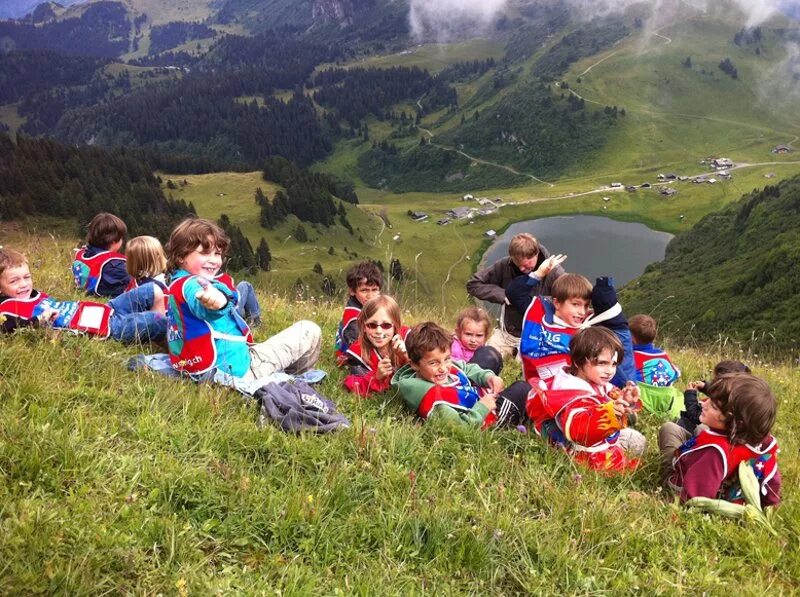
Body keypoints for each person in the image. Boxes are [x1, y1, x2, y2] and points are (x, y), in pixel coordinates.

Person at [164, 218, 320, 379]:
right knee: (309, 329)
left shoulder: (175, 285)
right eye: (204, 253)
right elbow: (203, 304)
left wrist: (221, 296)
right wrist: (217, 301)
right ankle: (296, 379)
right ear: (181, 256)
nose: (214, 260)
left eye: (217, 253)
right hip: (238, 370)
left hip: (202, 368)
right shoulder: (192, 285)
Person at [526, 327, 646, 472]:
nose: (609, 371)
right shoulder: (569, 390)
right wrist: (611, 414)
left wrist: (626, 399)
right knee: (633, 446)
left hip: (601, 438)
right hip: (580, 450)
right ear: (578, 361)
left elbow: (610, 393)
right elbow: (578, 429)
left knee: (638, 440)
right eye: (602, 363)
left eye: (613, 364)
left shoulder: (596, 381)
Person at [658, 373, 781, 506]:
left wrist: (661, 502)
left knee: (669, 429)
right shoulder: (762, 443)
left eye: (714, 407)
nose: (704, 404)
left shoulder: (715, 452)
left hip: (682, 480)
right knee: (697, 430)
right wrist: (769, 505)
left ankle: (666, 472)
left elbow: (693, 499)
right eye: (709, 399)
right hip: (711, 472)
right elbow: (772, 485)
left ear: (735, 422)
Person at [1, 247, 166, 343]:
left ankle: (159, 341)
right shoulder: (6, 308)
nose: (23, 284)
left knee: (152, 289)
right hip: (105, 328)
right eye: (14, 281)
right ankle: (179, 355)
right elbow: (9, 327)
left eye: (26, 277)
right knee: (158, 320)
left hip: (104, 309)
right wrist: (40, 320)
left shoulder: (32, 295)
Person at [392, 322, 531, 428]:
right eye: (433, 363)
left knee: (488, 353)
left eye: (446, 358)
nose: (443, 368)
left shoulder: (436, 370)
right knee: (522, 389)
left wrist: (488, 377)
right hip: (482, 416)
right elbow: (460, 428)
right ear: (414, 364)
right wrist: (483, 407)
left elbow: (463, 367)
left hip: (471, 392)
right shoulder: (433, 401)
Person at [466, 233, 565, 359]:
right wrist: (503, 296)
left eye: (527, 265)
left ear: (536, 254)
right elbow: (473, 284)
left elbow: (569, 298)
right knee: (486, 358)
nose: (522, 269)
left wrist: (540, 303)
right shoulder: (504, 265)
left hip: (541, 335)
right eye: (518, 264)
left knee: (528, 369)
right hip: (508, 334)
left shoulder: (554, 272)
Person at [342, 295, 409, 397]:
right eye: (372, 325)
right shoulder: (358, 353)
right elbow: (353, 385)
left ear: (395, 326)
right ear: (363, 326)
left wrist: (406, 358)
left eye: (386, 325)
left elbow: (430, 365)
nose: (379, 331)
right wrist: (376, 377)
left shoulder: (409, 338)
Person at [675, 359, 750, 432]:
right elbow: (719, 394)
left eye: (715, 381)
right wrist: (705, 387)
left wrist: (690, 395)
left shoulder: (728, 405)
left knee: (695, 426)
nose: (713, 383)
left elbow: (696, 417)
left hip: (703, 434)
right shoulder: (736, 395)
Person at [72, 212, 132, 297]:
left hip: (86, 292)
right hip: (111, 297)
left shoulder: (82, 254)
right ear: (114, 241)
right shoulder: (115, 264)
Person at [335, 261, 382, 365]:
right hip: (351, 357)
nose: (370, 296)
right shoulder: (354, 318)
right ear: (352, 291)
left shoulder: (367, 307)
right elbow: (358, 347)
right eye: (364, 290)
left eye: (374, 290)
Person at [629, 314, 680, 386]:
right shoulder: (662, 354)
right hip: (665, 396)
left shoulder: (630, 358)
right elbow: (677, 373)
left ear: (632, 338)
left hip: (639, 395)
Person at [451, 305, 503, 375]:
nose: (473, 340)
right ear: (459, 332)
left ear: (486, 336)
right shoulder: (454, 347)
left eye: (479, 335)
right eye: (468, 334)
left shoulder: (483, 349)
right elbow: (454, 368)